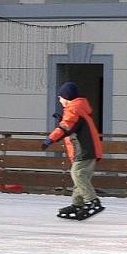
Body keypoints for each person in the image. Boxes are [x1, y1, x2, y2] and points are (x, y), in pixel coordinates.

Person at [42, 81, 104, 220]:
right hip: (88, 150)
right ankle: (78, 204)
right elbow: (72, 126)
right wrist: (62, 120)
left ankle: (92, 201)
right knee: (80, 178)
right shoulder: (78, 108)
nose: (59, 100)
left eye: (60, 97)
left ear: (66, 97)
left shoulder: (73, 109)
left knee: (78, 175)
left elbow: (66, 127)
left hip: (84, 150)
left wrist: (50, 139)